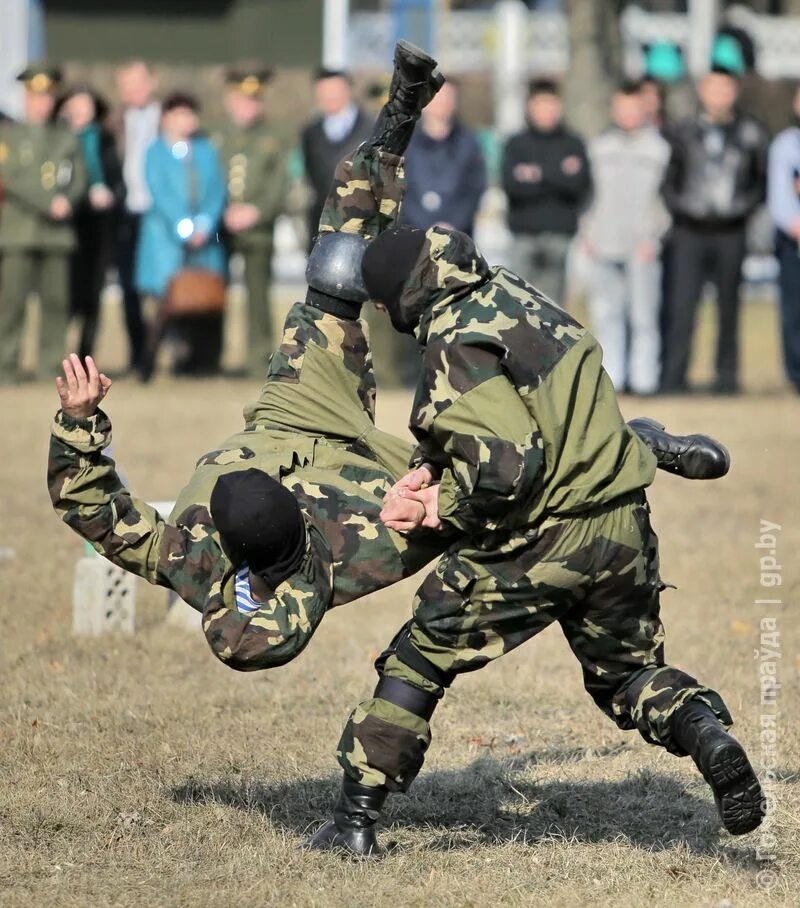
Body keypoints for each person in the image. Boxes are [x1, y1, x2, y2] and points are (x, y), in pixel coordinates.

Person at [49, 41, 723, 749]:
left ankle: (401, 109)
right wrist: (434, 497)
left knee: (338, 262)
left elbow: (90, 505)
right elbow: (262, 640)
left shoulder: (184, 552)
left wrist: (78, 423)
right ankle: (633, 443)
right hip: (378, 489)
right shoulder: (363, 549)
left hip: (293, 412)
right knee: (513, 476)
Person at [307, 205, 759, 855]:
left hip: (543, 535)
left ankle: (353, 823)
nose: (382, 318)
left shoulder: (451, 346)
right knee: (628, 674)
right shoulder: (518, 295)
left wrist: (438, 506)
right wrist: (430, 464)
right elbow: (528, 407)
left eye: (380, 305)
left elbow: (502, 470)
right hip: (623, 519)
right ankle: (706, 732)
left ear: (402, 297)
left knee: (419, 655)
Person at [660, 67, 768, 395]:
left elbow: (760, 182)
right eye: (713, 88)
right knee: (682, 306)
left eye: (726, 89)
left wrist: (741, 211)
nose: (719, 95)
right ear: (703, 91)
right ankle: (673, 379)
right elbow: (669, 179)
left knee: (729, 307)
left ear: (734, 92)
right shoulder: (683, 131)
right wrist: (683, 208)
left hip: (731, 232)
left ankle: (726, 379)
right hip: (689, 231)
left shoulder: (751, 132)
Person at [580, 81, 671, 395]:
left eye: (633, 108)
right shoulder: (600, 148)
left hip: (642, 246)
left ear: (644, 109)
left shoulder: (659, 149)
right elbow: (589, 197)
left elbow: (665, 201)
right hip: (603, 243)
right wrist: (588, 233)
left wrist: (653, 238)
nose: (627, 114)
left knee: (643, 315)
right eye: (622, 108)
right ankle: (613, 377)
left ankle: (645, 379)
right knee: (607, 313)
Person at [0, 65, 87, 384]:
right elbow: (11, 177)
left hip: (57, 235)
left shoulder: (66, 137)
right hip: (17, 232)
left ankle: (52, 365)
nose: (42, 103)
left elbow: (79, 177)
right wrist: (48, 201)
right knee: (11, 304)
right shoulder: (8, 135)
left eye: (48, 97)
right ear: (26, 97)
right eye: (36, 97)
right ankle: (6, 365)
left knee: (56, 304)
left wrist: (69, 199)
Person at [135, 92, 226, 377]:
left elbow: (217, 191)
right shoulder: (155, 152)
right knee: (166, 303)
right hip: (165, 239)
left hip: (203, 241)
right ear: (167, 118)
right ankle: (149, 361)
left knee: (200, 302)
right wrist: (182, 225)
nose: (187, 121)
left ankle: (195, 364)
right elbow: (158, 191)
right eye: (180, 114)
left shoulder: (206, 151)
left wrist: (205, 223)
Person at [212, 65, 289, 375]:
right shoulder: (215, 134)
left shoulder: (275, 136)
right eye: (242, 100)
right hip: (219, 228)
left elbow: (280, 182)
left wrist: (256, 211)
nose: (248, 106)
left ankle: (258, 358)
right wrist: (222, 211)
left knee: (258, 295)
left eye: (254, 100)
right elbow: (207, 177)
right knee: (213, 291)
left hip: (258, 228)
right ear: (230, 100)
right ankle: (210, 355)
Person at [501, 78, 590, 304]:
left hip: (559, 234)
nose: (546, 111)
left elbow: (579, 185)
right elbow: (512, 187)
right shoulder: (516, 144)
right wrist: (559, 173)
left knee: (553, 310)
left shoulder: (573, 143)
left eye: (551, 104)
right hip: (523, 234)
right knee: (519, 306)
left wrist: (536, 174)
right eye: (541, 104)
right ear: (530, 107)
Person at [57, 85, 122, 360]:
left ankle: (86, 354)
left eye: (85, 105)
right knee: (65, 292)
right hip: (65, 224)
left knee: (93, 293)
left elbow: (117, 178)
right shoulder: (58, 139)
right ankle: (58, 355)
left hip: (99, 226)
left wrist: (109, 195)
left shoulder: (104, 139)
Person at [112, 60, 161, 374]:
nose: (135, 91)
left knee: (162, 287)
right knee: (128, 287)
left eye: (139, 82)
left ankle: (161, 354)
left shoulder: (169, 117)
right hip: (126, 212)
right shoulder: (113, 122)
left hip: (160, 213)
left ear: (152, 82)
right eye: (127, 85)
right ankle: (138, 354)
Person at [401, 80, 486, 237]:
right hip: (412, 235)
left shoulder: (468, 142)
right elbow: (399, 189)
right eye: (436, 97)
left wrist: (452, 224)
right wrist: (425, 225)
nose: (442, 103)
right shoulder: (404, 142)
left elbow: (474, 187)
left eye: (448, 98)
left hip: (457, 236)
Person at [301, 68, 373, 252]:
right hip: (323, 228)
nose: (329, 97)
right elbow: (312, 177)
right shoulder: (310, 133)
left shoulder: (372, 129)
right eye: (323, 92)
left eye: (334, 91)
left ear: (347, 90)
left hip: (363, 229)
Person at [767, 83, 800, 394]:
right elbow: (780, 200)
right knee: (794, 310)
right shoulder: (786, 146)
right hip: (793, 242)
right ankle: (796, 375)